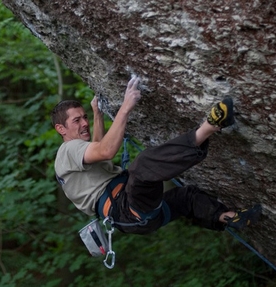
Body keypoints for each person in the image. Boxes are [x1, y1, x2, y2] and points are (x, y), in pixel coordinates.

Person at [51, 76, 261, 234]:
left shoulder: (71, 158)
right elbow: (106, 150)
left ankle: (231, 217)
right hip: (127, 207)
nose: (84, 123)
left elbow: (98, 150)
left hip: (135, 216)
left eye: (84, 117)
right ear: (61, 129)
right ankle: (210, 126)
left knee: (186, 198)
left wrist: (97, 114)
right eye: (77, 121)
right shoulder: (67, 150)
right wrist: (125, 107)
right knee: (142, 167)